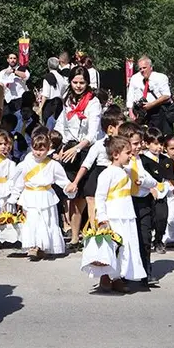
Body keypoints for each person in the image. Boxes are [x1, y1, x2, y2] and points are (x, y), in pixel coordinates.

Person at [84, 136, 145, 293]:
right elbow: (100, 197)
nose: (130, 156)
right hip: (113, 215)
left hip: (127, 214)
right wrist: (102, 217)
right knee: (112, 246)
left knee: (125, 246)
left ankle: (118, 277)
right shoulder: (106, 173)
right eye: (127, 153)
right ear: (116, 154)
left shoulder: (126, 171)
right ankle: (105, 275)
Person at [55, 67, 103, 246]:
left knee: (90, 196)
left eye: (82, 82)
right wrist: (59, 146)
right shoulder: (67, 100)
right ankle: (75, 237)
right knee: (73, 197)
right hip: (69, 149)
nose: (78, 86)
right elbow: (61, 124)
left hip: (86, 150)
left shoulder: (94, 102)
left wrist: (77, 149)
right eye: (75, 82)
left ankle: (95, 234)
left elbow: (92, 134)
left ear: (87, 83)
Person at [8, 133, 69, 260]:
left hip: (46, 195)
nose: (38, 153)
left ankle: (43, 246)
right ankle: (33, 246)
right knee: (32, 221)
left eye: (42, 150)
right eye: (36, 149)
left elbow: (63, 181)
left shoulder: (53, 165)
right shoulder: (25, 165)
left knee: (46, 221)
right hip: (29, 195)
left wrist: (69, 188)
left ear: (48, 149)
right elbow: (19, 183)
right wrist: (13, 198)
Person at [120, 123, 160, 286]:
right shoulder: (122, 162)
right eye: (135, 144)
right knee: (128, 239)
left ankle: (146, 272)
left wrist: (142, 180)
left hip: (143, 202)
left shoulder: (141, 160)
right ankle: (123, 274)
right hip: (127, 202)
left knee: (145, 238)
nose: (139, 147)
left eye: (139, 143)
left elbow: (152, 181)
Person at [126, 56, 172, 135]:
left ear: (151, 67)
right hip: (143, 113)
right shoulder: (135, 78)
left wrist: (151, 104)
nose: (142, 70)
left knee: (162, 137)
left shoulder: (160, 77)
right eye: (140, 69)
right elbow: (130, 95)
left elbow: (167, 95)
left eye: (144, 68)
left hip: (159, 112)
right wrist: (131, 112)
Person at [40, 56, 68, 131]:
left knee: (47, 127)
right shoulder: (62, 78)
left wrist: (40, 107)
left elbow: (45, 94)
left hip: (49, 105)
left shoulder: (47, 77)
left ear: (48, 65)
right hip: (60, 104)